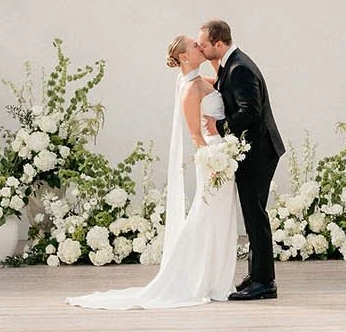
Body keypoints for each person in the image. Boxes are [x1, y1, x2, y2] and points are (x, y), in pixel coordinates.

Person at [66, 35, 239, 310]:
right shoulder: (189, 91)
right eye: (195, 46)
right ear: (184, 56)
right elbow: (195, 135)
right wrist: (213, 162)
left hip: (223, 155)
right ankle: (198, 277)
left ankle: (218, 278)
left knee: (221, 217)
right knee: (208, 215)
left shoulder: (202, 81)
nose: (199, 47)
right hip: (212, 161)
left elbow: (223, 87)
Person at [198, 18, 284, 301]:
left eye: (204, 44)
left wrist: (219, 127)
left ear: (218, 44)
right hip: (253, 151)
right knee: (251, 213)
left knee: (255, 214)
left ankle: (265, 283)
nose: (200, 48)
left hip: (259, 152)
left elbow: (251, 111)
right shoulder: (231, 65)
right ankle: (257, 274)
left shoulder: (240, 68)